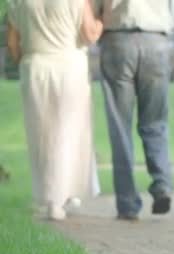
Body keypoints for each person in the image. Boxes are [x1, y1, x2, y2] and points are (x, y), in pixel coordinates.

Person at [7, 0, 103, 220]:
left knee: (42, 135)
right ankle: (66, 194)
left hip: (35, 67)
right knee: (71, 132)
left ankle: (53, 198)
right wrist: (100, 22)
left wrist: (24, 61)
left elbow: (12, 43)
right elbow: (89, 34)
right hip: (69, 66)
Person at [95, 0, 174, 221]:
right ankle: (162, 184)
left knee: (120, 127)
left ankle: (127, 204)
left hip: (117, 40)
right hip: (156, 40)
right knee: (155, 122)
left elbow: (94, 8)